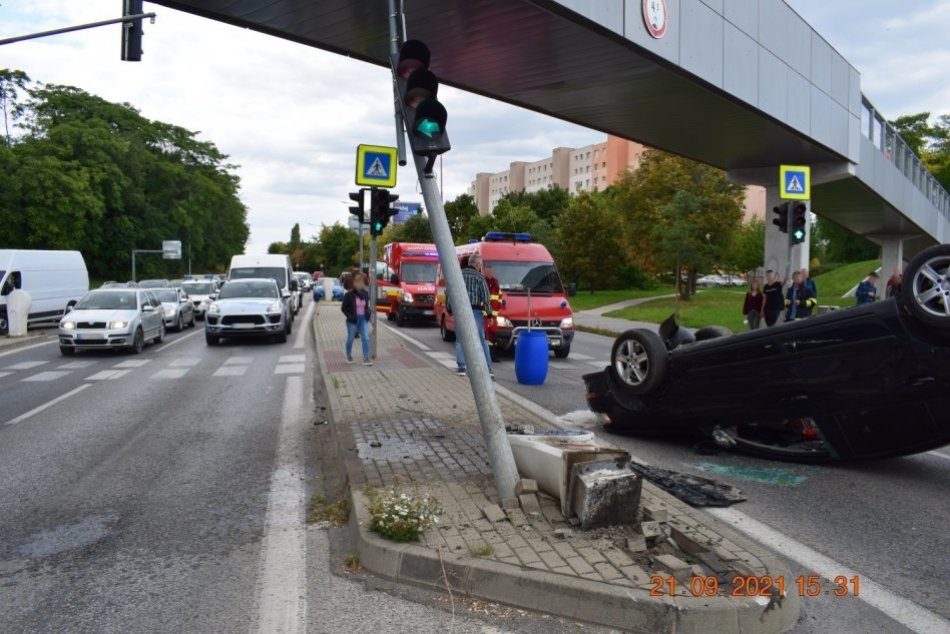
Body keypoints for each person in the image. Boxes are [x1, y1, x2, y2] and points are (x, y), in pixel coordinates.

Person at [446, 254, 493, 378]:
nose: (480, 267)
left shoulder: (458, 275)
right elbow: (486, 297)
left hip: (460, 311)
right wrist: (489, 314)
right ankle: (488, 368)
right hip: (475, 311)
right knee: (482, 340)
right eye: (480, 265)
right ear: (477, 265)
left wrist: (449, 308)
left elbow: (450, 292)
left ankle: (461, 368)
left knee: (460, 340)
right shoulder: (480, 277)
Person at [341, 272, 372, 365]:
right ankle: (348, 355)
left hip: (363, 319)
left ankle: (366, 357)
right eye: (357, 281)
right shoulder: (349, 295)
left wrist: (368, 314)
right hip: (353, 320)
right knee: (351, 338)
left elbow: (366, 306)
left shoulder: (365, 294)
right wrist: (350, 316)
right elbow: (343, 308)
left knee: (366, 338)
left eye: (361, 281)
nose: (360, 283)